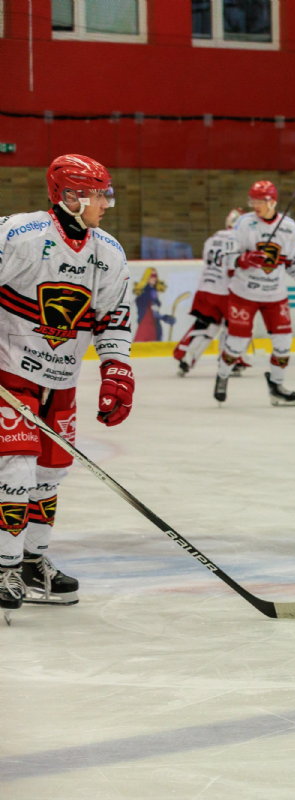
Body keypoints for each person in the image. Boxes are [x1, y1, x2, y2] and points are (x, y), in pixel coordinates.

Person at [0, 154, 135, 620]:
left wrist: (117, 369)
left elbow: (114, 315)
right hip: (9, 372)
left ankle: (34, 563)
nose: (106, 203)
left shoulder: (107, 252)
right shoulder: (20, 234)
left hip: (61, 379)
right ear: (70, 196)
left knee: (49, 474)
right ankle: (4, 567)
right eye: (99, 194)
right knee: (14, 469)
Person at [215, 180, 295, 407]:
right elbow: (226, 258)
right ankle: (223, 375)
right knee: (237, 344)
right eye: (253, 201)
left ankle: (276, 386)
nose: (255, 205)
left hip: (275, 295)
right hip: (244, 293)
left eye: (260, 201)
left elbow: (292, 263)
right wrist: (245, 259)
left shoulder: (289, 228)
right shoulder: (244, 224)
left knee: (284, 342)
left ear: (273, 201)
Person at [174, 208, 250, 377]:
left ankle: (186, 358)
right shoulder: (241, 240)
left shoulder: (212, 239)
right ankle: (233, 361)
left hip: (206, 288)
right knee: (234, 327)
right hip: (227, 291)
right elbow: (236, 267)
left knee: (205, 326)